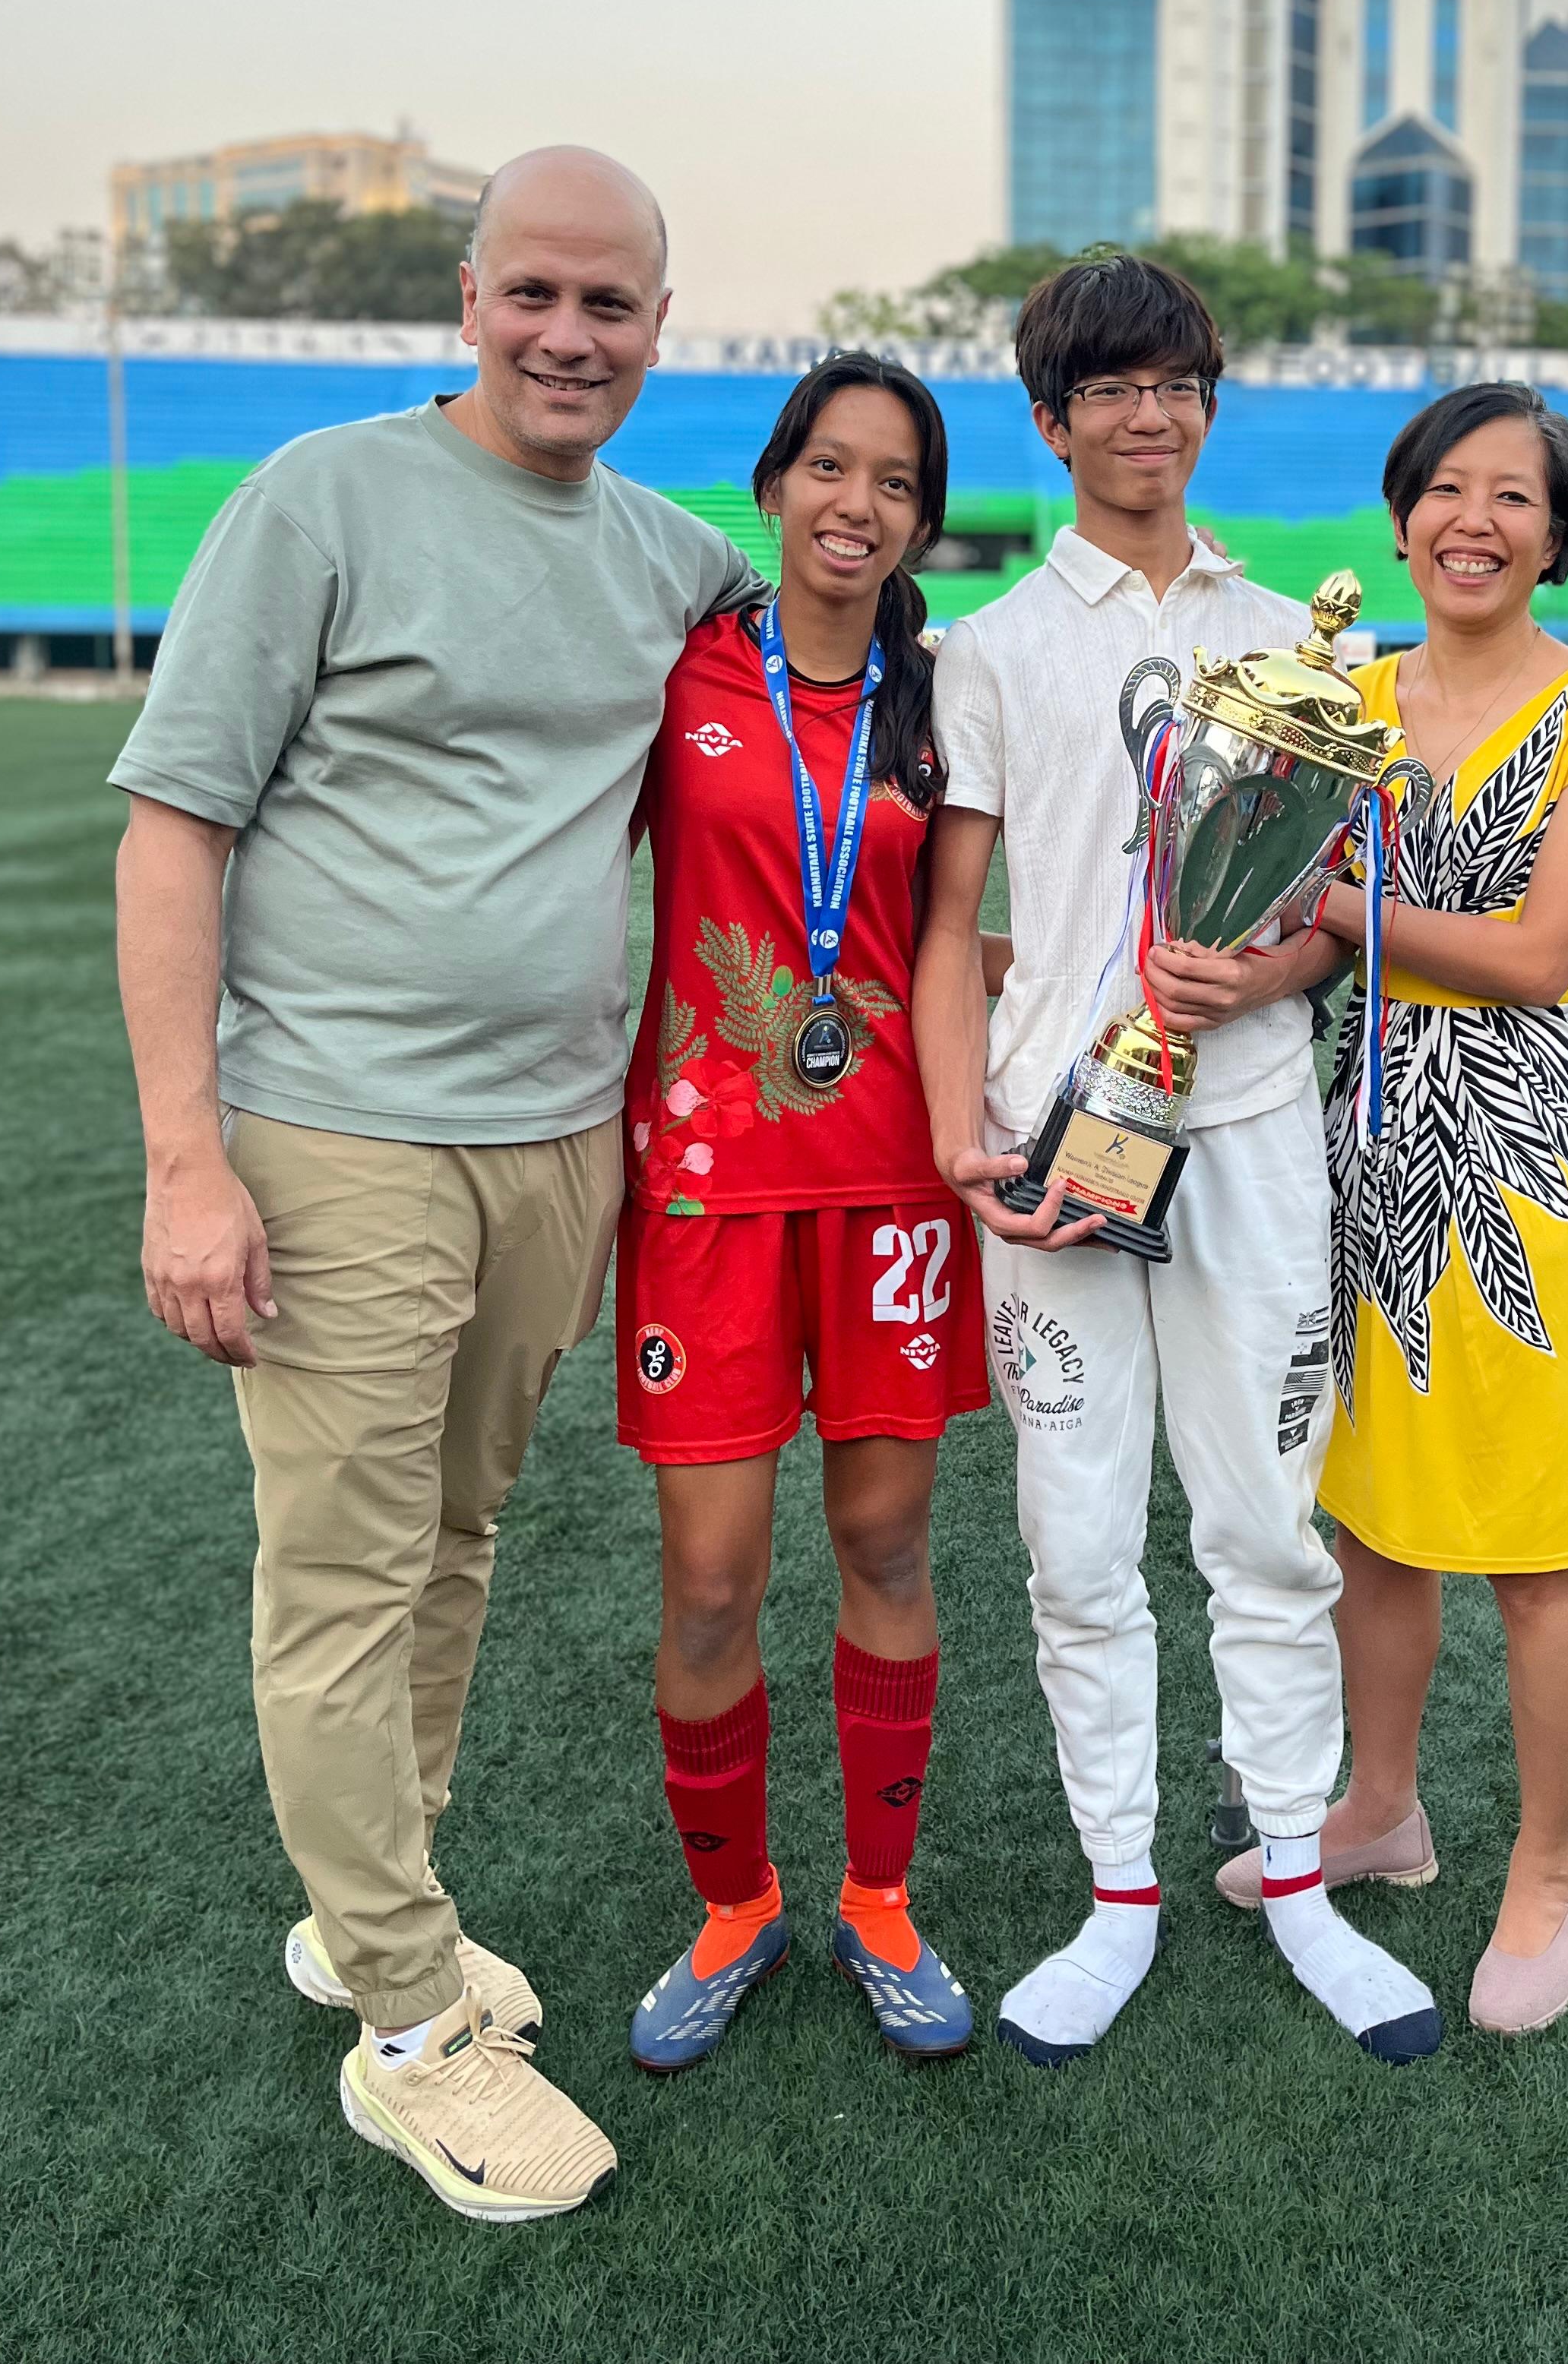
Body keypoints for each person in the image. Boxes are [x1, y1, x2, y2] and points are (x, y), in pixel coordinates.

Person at [110, 147, 764, 2222]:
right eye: (534, 295)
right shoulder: (322, 498)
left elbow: (804, 758)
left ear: (661, 327)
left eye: (611, 304)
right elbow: (176, 827)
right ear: (469, 300)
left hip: (558, 1144)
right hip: (338, 1135)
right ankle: (408, 2030)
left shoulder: (677, 560)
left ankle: (366, 1911)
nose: (570, 336)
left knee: (458, 1541)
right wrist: (187, 1158)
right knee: (344, 1573)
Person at [913, 254, 1441, 2068]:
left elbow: (1334, 919)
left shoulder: (1305, 640)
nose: (1150, 416)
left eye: (1178, 385)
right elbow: (951, 926)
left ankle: (1296, 1879)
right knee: (1076, 1545)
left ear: (1209, 406)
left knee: (1265, 1526)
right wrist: (958, 1129)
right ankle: (1119, 1895)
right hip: (1057, 1141)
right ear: (1050, 421)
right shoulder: (987, 649)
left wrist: (1267, 974)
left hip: (1255, 1125)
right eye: (1112, 389)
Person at [1211, 381, 1568, 2037]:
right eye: (1447, 488)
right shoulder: (1348, 693)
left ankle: (1550, 1875)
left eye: (1515, 497)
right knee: (1376, 1519)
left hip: (1525, 1169)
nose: (1475, 521)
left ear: (1558, 538)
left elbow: (1534, 955)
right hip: (1360, 1155)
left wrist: (1333, 902)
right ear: (1403, 513)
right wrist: (1232, 966)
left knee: (1539, 1545)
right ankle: (1382, 1808)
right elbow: (1306, 933)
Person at [617, 354, 987, 2072]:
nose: (859, 505)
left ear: (922, 519)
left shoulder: (945, 699)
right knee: (710, 1580)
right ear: (773, 485)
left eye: (895, 482)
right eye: (830, 467)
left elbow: (961, 936)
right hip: (709, 1187)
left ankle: (880, 1900)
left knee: (888, 1546)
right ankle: (735, 1905)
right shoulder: (676, 667)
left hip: (895, 1182)